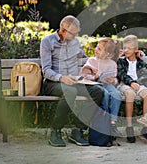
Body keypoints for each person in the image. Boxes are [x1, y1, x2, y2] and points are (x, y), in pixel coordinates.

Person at [40, 15, 104, 147]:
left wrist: (92, 68)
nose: (76, 36)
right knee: (70, 91)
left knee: (97, 91)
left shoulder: (74, 42)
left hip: (75, 81)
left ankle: (78, 130)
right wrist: (62, 78)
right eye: (74, 33)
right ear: (63, 31)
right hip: (53, 83)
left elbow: (84, 57)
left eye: (77, 33)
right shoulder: (47, 42)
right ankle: (55, 131)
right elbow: (45, 70)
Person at [80, 37, 122, 137]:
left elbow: (115, 79)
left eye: (99, 49)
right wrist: (95, 76)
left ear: (108, 54)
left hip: (107, 84)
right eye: (96, 47)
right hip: (96, 84)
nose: (96, 50)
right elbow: (84, 76)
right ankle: (104, 119)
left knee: (117, 94)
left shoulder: (112, 64)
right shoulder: (92, 61)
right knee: (105, 95)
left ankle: (112, 122)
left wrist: (113, 81)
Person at [117, 35, 147, 143]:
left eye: (129, 48)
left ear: (136, 49)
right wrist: (131, 82)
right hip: (125, 84)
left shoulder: (140, 62)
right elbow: (121, 74)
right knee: (130, 94)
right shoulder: (121, 61)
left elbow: (144, 75)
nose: (126, 50)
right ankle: (129, 127)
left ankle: (145, 127)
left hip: (138, 84)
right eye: (125, 48)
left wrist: (137, 83)